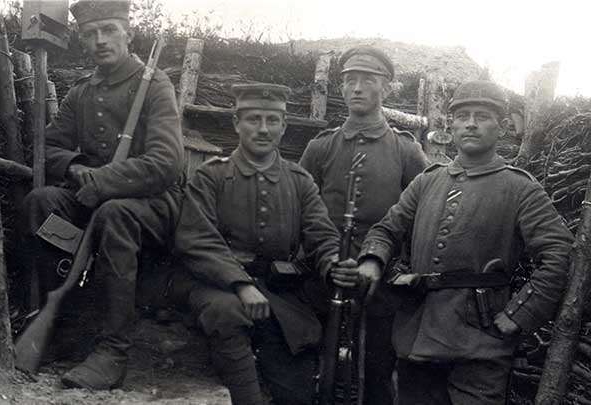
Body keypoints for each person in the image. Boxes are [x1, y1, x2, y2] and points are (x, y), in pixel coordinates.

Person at [351, 80, 573, 404]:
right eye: (462, 115)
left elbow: (560, 254)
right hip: (417, 337)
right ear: (451, 124)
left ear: (502, 127)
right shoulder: (427, 180)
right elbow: (387, 229)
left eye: (482, 116)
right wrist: (372, 260)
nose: (470, 123)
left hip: (481, 343)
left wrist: (519, 315)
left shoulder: (520, 188)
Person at [20, 0, 184, 390]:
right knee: (40, 204)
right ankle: (66, 324)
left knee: (115, 214)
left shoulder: (154, 84)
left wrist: (104, 182)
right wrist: (78, 170)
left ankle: (113, 351)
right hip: (90, 196)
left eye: (109, 30)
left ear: (128, 33)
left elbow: (167, 163)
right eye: (90, 34)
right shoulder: (81, 92)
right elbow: (49, 147)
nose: (100, 40)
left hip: (152, 205)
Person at [173, 83, 355, 405]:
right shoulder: (210, 176)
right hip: (219, 287)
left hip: (278, 291)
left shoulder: (300, 181)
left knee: (296, 392)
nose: (263, 129)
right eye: (253, 119)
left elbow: (321, 234)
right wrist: (241, 284)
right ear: (236, 124)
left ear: (283, 127)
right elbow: (197, 240)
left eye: (272, 121)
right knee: (226, 313)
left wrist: (332, 264)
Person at [299, 45, 429, 404]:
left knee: (376, 376)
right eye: (349, 80)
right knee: (317, 371)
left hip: (380, 285)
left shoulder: (406, 150)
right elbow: (301, 210)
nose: (356, 88)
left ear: (386, 88)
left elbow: (422, 214)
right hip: (323, 276)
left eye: (367, 80)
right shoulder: (320, 147)